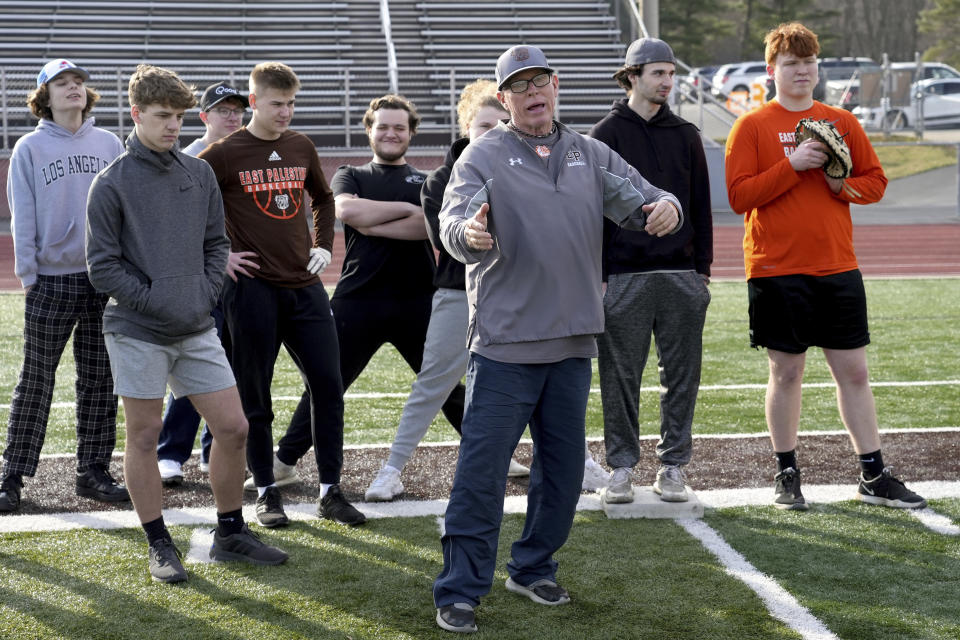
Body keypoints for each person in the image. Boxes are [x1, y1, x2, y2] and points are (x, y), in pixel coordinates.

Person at [432, 45, 681, 633]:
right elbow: (451, 225)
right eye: (519, 86)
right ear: (504, 98)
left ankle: (532, 565)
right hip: (505, 345)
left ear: (556, 84)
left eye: (540, 81)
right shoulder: (481, 156)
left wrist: (665, 206)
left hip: (573, 342)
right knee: (482, 472)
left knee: (564, 471)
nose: (532, 92)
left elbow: (647, 197)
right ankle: (460, 588)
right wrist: (468, 233)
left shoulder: (589, 152)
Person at [86, 64, 288, 583]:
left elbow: (215, 245)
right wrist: (156, 300)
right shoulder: (111, 183)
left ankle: (230, 531)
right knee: (145, 433)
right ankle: (158, 543)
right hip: (136, 328)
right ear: (136, 115)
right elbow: (103, 266)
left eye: (178, 116)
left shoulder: (198, 173)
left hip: (195, 322)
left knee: (233, 427)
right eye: (161, 116)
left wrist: (201, 293)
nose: (173, 126)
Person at [725, 22, 926, 511]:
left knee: (854, 372)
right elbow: (737, 196)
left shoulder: (842, 121)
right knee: (787, 372)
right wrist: (791, 167)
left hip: (837, 265)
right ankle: (787, 471)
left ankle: (873, 473)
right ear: (772, 70)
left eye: (809, 63)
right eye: (792, 64)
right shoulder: (751, 125)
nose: (802, 71)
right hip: (775, 267)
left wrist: (840, 185)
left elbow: (875, 183)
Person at [268, 94, 470, 499]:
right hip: (357, 301)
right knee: (327, 385)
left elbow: (424, 228)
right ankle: (285, 462)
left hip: (419, 299)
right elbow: (345, 212)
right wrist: (406, 212)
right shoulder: (350, 173)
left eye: (399, 127)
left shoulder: (426, 181)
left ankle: (488, 447)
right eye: (383, 126)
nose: (391, 133)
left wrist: (376, 218)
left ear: (411, 133)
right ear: (370, 130)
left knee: (446, 383)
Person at [200, 61, 366, 528]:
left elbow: (324, 197)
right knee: (255, 394)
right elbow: (188, 205)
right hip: (251, 290)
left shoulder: (300, 145)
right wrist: (221, 257)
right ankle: (267, 490)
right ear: (254, 102)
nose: (286, 112)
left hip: (304, 286)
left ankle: (331, 490)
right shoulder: (223, 153)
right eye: (277, 104)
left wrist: (321, 243)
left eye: (292, 103)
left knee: (329, 386)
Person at [364, 82, 531, 502]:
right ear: (467, 127)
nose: (495, 132)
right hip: (460, 294)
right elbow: (458, 239)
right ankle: (392, 469)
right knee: (432, 385)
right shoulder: (441, 179)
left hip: (517, 294)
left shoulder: (525, 167)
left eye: (503, 124)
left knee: (536, 380)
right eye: (485, 125)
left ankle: (579, 464)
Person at [0, 59, 129, 514]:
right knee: (36, 379)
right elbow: (24, 215)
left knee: (99, 379)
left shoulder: (109, 142)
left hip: (103, 279)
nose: (73, 89)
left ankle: (92, 471)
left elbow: (122, 210)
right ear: (44, 96)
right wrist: (29, 276)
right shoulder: (29, 148)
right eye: (62, 83)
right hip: (51, 281)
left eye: (78, 83)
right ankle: (12, 475)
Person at [589, 37, 713, 504]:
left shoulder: (685, 133)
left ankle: (674, 467)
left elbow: (700, 204)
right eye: (658, 73)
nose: (667, 82)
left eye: (671, 74)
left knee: (682, 376)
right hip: (622, 276)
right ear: (632, 76)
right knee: (620, 378)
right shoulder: (603, 135)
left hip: (681, 274)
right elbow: (593, 212)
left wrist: (702, 270)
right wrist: (600, 274)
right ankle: (621, 468)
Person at [156, 80, 249, 487]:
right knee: (193, 367)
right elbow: (175, 226)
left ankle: (216, 450)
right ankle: (172, 451)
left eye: (237, 109)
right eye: (223, 110)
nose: (232, 116)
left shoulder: (253, 152)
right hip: (203, 280)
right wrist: (217, 258)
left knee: (234, 368)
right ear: (203, 116)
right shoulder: (187, 157)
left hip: (248, 278)